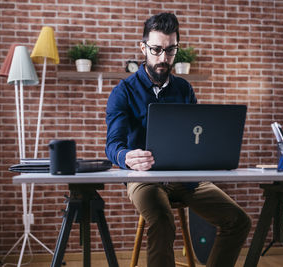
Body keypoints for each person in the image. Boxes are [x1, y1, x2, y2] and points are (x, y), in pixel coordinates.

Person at [105, 12, 251, 267]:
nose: (163, 58)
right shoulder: (123, 91)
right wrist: (125, 156)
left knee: (239, 221)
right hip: (144, 179)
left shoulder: (184, 89)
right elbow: (112, 145)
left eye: (170, 50)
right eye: (156, 49)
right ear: (143, 47)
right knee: (162, 221)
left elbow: (196, 137)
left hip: (186, 179)